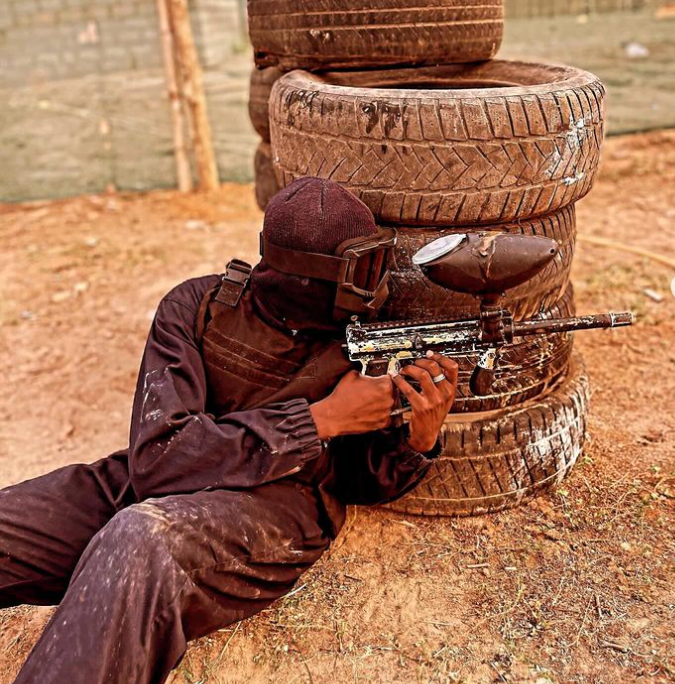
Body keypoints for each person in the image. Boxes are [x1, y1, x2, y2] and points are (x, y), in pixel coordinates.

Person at [0, 177, 458, 684]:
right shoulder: (198, 307)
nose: (378, 285)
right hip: (155, 485)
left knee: (139, 538)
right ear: (306, 273)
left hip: (278, 510)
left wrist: (420, 437)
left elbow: (360, 483)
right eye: (363, 269)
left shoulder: (364, 343)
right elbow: (158, 463)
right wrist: (320, 420)